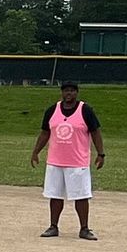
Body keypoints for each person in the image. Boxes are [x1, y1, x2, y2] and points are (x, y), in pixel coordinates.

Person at [30, 81, 105, 241]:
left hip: (77, 162)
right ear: (61, 93)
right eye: (66, 91)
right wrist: (36, 151)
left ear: (76, 93)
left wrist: (101, 153)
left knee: (81, 196)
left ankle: (84, 228)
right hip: (55, 161)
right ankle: (53, 226)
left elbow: (96, 132)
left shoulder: (85, 110)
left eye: (72, 91)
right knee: (55, 195)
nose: (69, 94)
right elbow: (45, 133)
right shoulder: (52, 110)